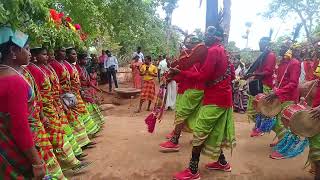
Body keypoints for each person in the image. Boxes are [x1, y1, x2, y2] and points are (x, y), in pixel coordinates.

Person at [172, 26, 235, 179]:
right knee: (213, 131)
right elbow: (231, 75)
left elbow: (203, 76)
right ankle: (222, 163)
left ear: (217, 36)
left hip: (215, 98)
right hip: (223, 97)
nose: (205, 36)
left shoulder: (213, 51)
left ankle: (193, 170)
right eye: (205, 33)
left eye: (209, 34)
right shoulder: (223, 50)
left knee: (200, 131)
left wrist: (181, 72)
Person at [30, 47, 88, 172]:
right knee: (55, 137)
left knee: (62, 132)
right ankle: (69, 163)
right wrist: (42, 113)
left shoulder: (46, 68)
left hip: (55, 105)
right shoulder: (33, 70)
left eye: (49, 54)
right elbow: (38, 94)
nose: (48, 56)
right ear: (35, 56)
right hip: (46, 109)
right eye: (45, 54)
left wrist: (61, 102)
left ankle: (74, 157)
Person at [0, 26, 46, 179]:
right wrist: (37, 162)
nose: (29, 53)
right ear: (13, 52)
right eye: (26, 49)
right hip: (15, 150)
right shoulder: (14, 81)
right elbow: (20, 126)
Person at [50, 47, 92, 148]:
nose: (75, 56)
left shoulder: (66, 65)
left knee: (77, 117)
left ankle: (84, 141)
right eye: (62, 51)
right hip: (64, 97)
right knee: (72, 120)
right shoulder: (55, 65)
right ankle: (80, 144)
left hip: (72, 94)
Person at [266, 45, 301, 159]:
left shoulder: (294, 63)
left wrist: (278, 92)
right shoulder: (282, 63)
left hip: (289, 97)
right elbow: (278, 80)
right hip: (280, 96)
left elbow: (293, 84)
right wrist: (275, 90)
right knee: (274, 120)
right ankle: (282, 139)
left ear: (288, 50)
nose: (279, 49)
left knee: (284, 123)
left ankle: (286, 148)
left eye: (283, 48)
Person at [245, 36, 277, 137]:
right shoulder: (263, 55)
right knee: (254, 109)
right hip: (258, 83)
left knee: (262, 110)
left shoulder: (271, 55)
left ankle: (265, 127)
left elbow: (268, 72)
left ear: (266, 44)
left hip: (265, 85)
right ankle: (258, 127)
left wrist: (253, 74)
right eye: (259, 43)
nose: (259, 45)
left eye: (261, 44)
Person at [65, 48, 100, 137]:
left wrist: (95, 88)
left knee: (88, 110)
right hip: (76, 93)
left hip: (83, 91)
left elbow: (87, 81)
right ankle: (88, 133)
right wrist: (81, 92)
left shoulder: (82, 68)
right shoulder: (74, 67)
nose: (85, 61)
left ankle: (90, 131)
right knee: (82, 112)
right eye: (84, 59)